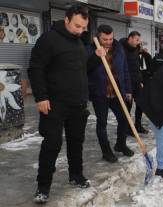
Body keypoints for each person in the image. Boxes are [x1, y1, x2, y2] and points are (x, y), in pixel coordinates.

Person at [28, 4, 90, 204]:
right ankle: (43, 187)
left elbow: (80, 71)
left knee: (76, 143)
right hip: (54, 104)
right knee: (52, 144)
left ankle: (76, 175)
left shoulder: (79, 42)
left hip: (77, 104)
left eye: (83, 27)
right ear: (66, 19)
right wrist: (40, 97)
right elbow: (35, 68)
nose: (80, 30)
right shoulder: (49, 40)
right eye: (77, 26)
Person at [86, 24, 132, 163]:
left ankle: (121, 144)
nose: (108, 42)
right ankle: (106, 152)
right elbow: (85, 68)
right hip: (100, 94)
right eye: (104, 39)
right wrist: (96, 56)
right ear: (98, 37)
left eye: (110, 38)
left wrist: (128, 89)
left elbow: (124, 69)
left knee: (124, 119)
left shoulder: (118, 49)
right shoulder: (89, 49)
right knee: (102, 123)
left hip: (117, 92)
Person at [120, 31, 149, 134]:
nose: (138, 42)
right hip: (127, 82)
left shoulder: (136, 48)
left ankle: (138, 125)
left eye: (139, 40)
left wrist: (141, 80)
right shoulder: (121, 48)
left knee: (141, 103)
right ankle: (128, 128)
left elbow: (137, 65)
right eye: (137, 40)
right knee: (128, 105)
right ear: (130, 38)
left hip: (137, 81)